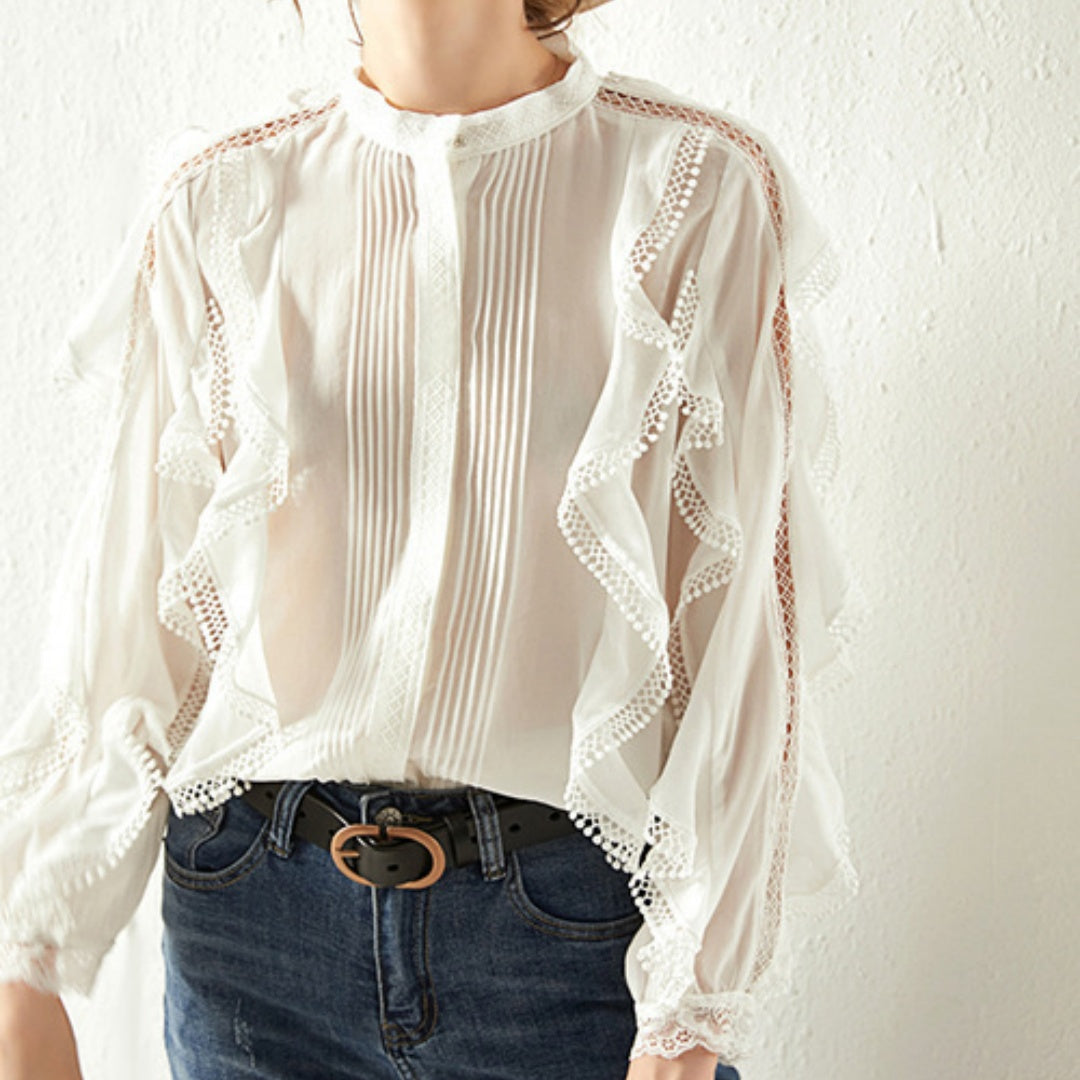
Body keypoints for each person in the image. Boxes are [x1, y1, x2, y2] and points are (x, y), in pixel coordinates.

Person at [0, 0, 865, 1077]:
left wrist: (690, 1016)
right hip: (255, 936)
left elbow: (739, 633)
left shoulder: (692, 186)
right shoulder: (224, 198)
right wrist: (31, 952)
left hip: (569, 946)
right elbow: (137, 610)